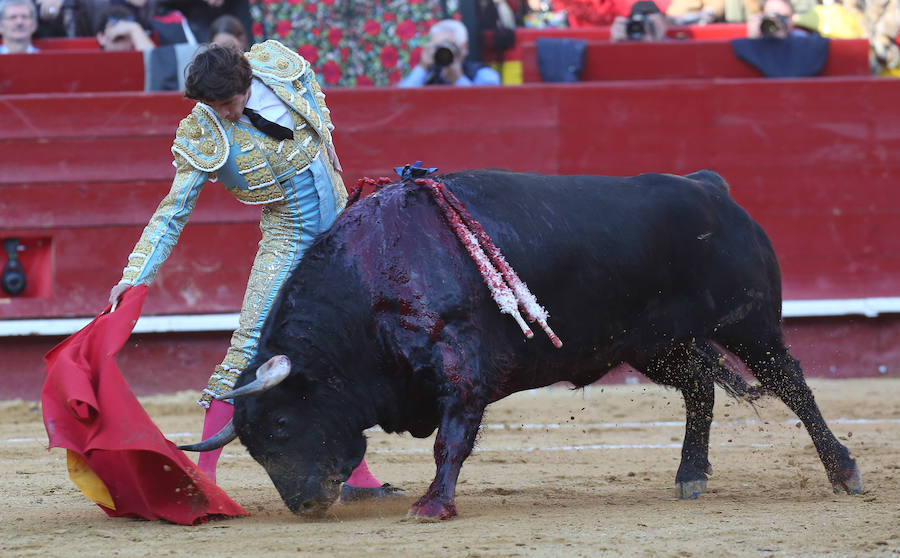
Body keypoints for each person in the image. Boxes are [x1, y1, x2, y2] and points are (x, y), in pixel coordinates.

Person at [107, 41, 400, 502]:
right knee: (246, 353)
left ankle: (357, 481)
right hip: (288, 240)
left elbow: (326, 147)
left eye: (226, 103)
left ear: (246, 83)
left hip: (341, 239)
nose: (221, 114)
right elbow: (172, 213)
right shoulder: (204, 133)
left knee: (338, 359)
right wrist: (136, 274)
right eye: (211, 105)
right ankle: (203, 481)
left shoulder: (281, 70)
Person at [398, 19, 501, 87]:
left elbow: (484, 109)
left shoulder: (483, 74)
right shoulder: (428, 77)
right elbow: (399, 100)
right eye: (438, 46)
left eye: (448, 44)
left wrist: (459, 80)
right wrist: (422, 67)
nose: (443, 51)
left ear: (463, 48)